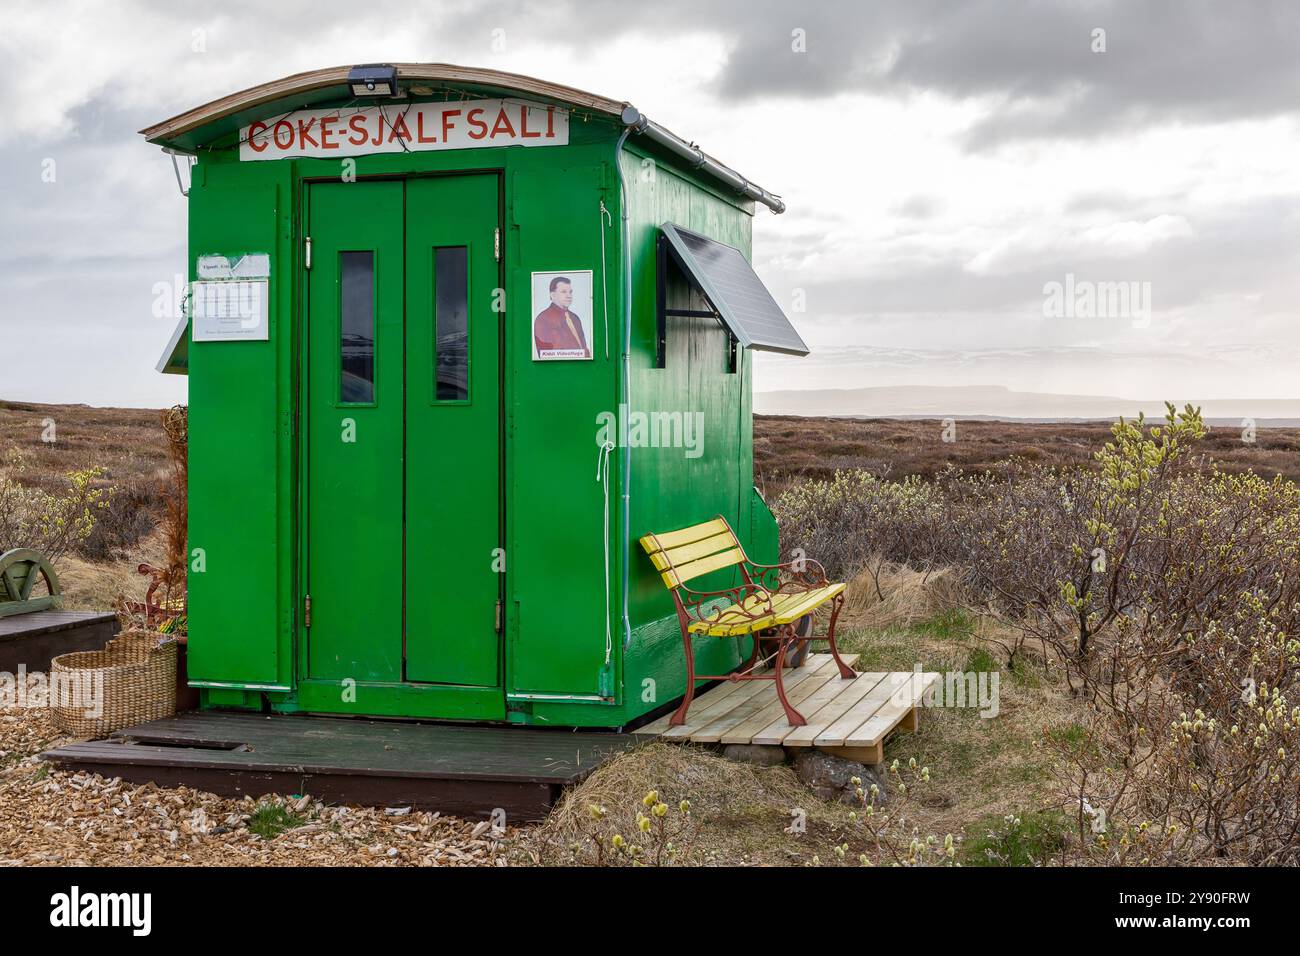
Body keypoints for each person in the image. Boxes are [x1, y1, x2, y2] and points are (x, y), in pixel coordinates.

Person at [533, 276, 590, 358]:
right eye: (563, 292)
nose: (569, 296)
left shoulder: (575, 318)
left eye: (570, 292)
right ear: (552, 295)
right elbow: (546, 355)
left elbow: (584, 350)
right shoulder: (543, 319)